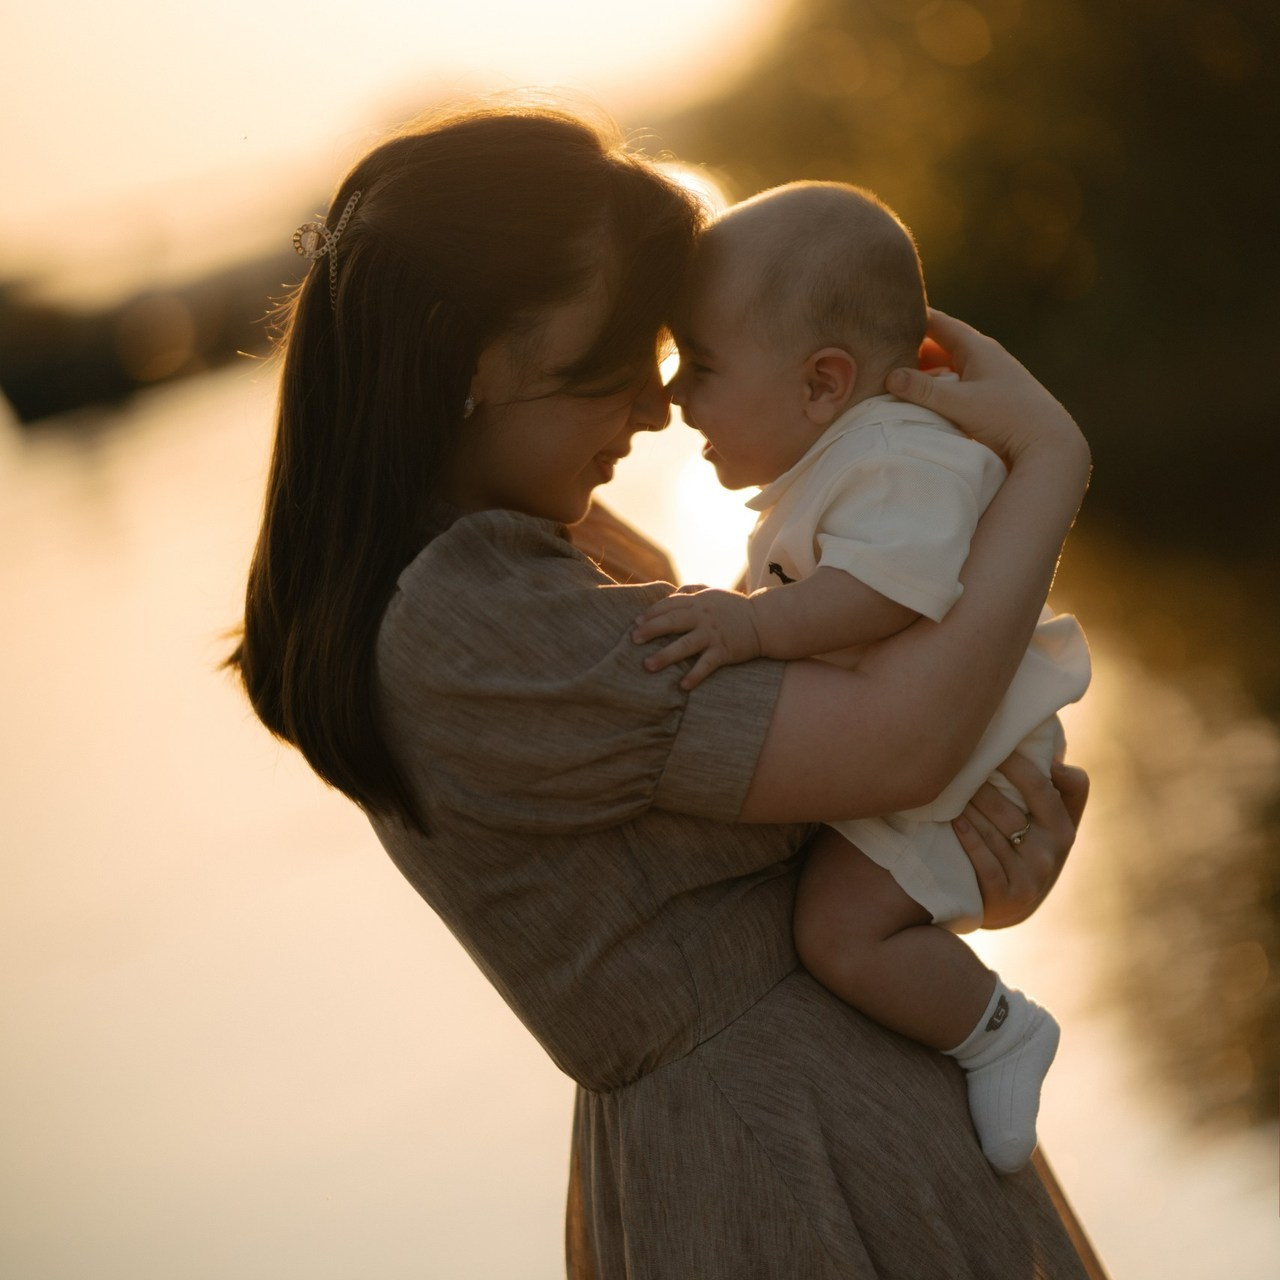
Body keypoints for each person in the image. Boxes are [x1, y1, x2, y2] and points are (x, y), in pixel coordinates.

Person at [228, 101, 1097, 1277]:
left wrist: (948, 879)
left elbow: (796, 799)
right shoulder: (464, 621)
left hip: (831, 1100)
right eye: (609, 366)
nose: (653, 408)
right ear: (472, 356)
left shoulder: (536, 537)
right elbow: (895, 743)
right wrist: (1046, 463)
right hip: (779, 1160)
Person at [632, 181, 1091, 1174]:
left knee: (839, 929)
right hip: (930, 755)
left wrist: (751, 628)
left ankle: (995, 1028)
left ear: (821, 382)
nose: (672, 397)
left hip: (966, 758)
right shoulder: (837, 459)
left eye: (698, 365)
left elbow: (889, 588)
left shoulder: (891, 457)